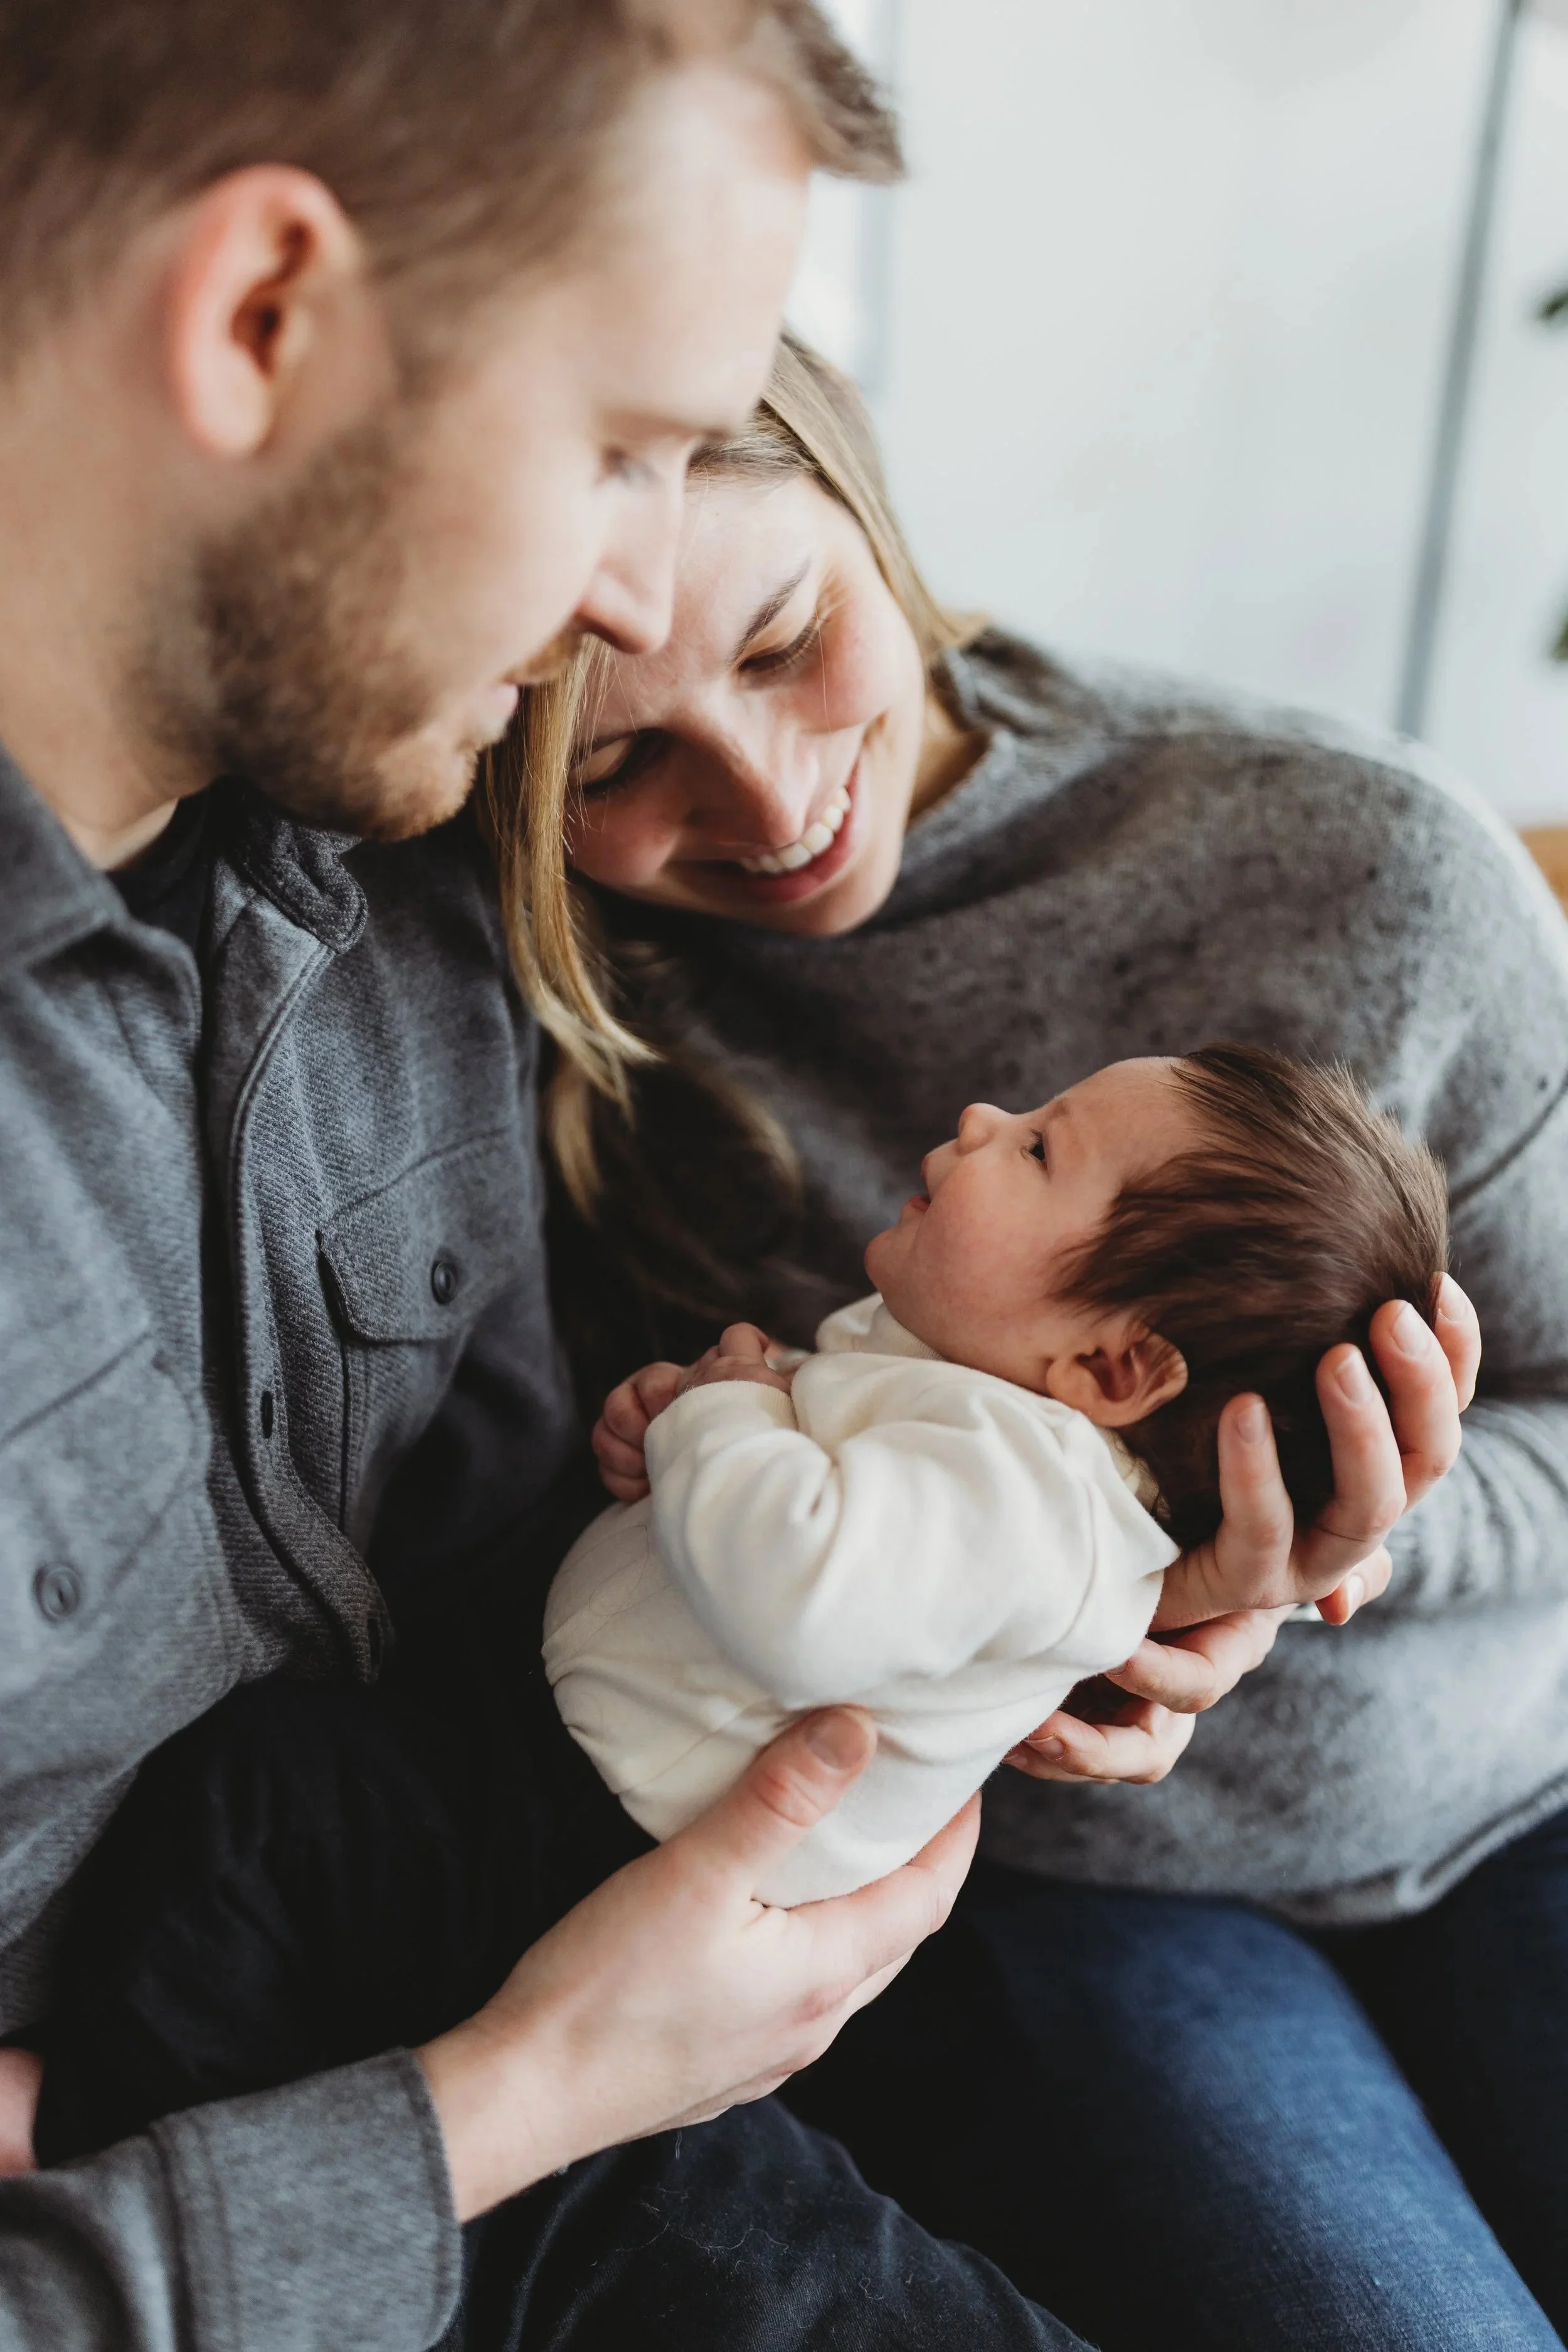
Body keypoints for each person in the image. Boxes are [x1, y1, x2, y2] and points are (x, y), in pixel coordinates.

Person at [0, 10, 1102, 2351]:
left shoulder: (387, 876)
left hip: (614, 2074)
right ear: (263, 316)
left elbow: (487, 1561)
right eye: (615, 442)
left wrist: (1008, 1572)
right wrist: (512, 2094)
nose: (630, 591)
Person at [499, 329, 1562, 2348]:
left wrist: (1324, 1542)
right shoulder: (569, 1004)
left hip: (1512, 1788)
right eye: (611, 766)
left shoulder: (1369, 879)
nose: (767, 794)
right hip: (1084, 1886)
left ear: (868, 515)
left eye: (790, 635)